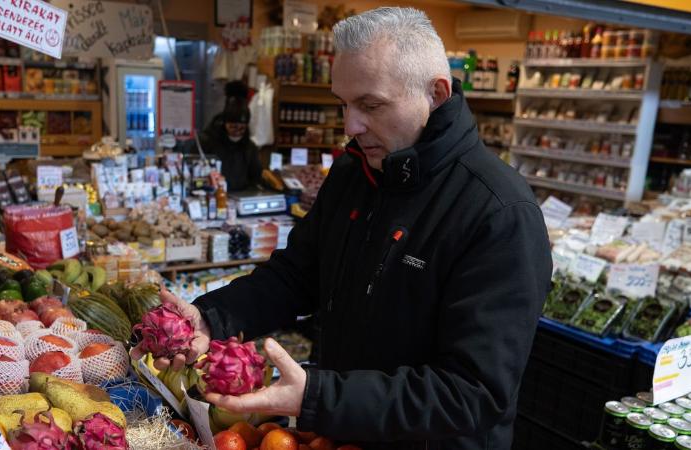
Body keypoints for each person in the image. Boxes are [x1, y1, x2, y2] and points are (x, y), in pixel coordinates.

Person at [157, 7, 551, 449]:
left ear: (436, 93)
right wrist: (211, 317)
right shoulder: (354, 172)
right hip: (340, 433)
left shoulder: (499, 213)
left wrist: (319, 396)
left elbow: (473, 395)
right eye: (344, 103)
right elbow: (296, 276)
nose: (351, 125)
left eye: (370, 105)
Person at [197, 95, 263, 191]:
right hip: (213, 194)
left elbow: (256, 176)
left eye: (242, 128)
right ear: (224, 123)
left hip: (240, 195)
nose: (237, 131)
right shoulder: (208, 141)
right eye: (233, 127)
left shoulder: (250, 147)